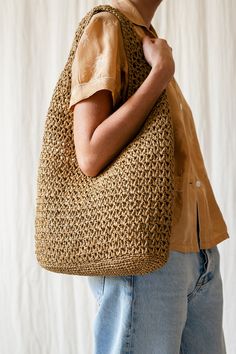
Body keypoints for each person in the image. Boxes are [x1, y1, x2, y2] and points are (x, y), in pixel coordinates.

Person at [69, 0, 229, 353]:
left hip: (199, 253)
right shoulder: (107, 26)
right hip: (146, 258)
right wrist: (160, 75)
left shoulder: (145, 36)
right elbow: (90, 153)